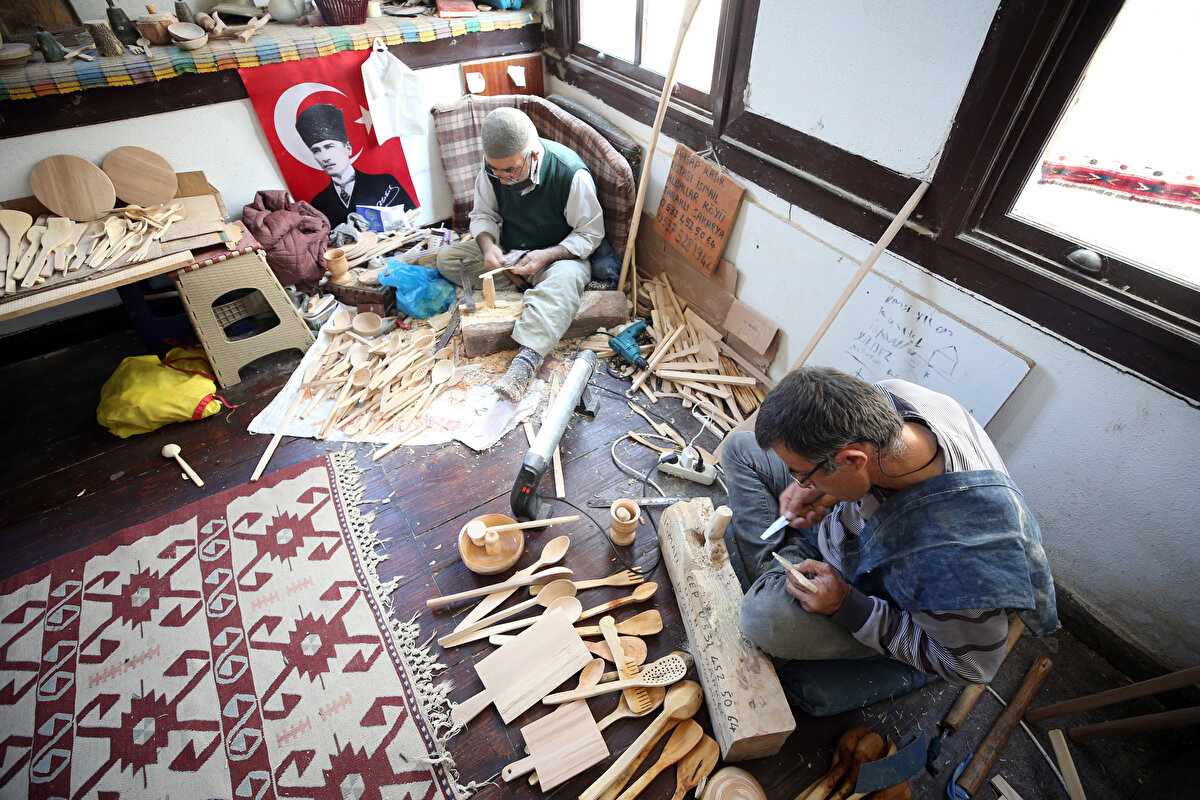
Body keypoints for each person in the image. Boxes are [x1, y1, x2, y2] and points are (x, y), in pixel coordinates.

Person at [722, 366, 1058, 715]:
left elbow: (974, 667)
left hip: (870, 588)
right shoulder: (895, 397)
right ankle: (781, 570)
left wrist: (845, 606)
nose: (799, 484)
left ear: (852, 460)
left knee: (761, 619)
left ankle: (778, 574)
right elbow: (857, 474)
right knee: (739, 448)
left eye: (801, 474)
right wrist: (825, 490)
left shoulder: (949, 560)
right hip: (848, 530)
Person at [437, 107, 604, 402]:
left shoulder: (570, 174)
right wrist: (489, 247)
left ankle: (526, 361)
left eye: (511, 170)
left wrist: (549, 255)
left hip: (559, 257)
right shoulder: (493, 169)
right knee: (449, 260)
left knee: (565, 279)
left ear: (533, 156)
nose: (501, 178)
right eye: (495, 170)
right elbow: (482, 215)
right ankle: (527, 288)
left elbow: (590, 233)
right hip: (513, 253)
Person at [295, 103, 413, 228]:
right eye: (316, 150)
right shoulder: (319, 203)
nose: (325, 157)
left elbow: (411, 218)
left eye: (329, 147)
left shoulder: (384, 183)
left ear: (348, 148)